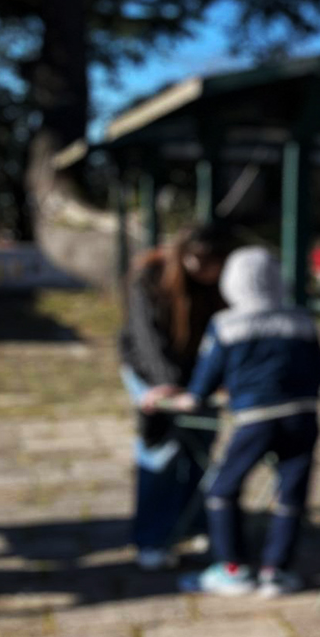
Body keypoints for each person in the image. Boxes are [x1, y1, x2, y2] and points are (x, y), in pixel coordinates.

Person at [173, 247, 320, 596]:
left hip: (256, 418)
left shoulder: (227, 324)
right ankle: (276, 570)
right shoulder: (302, 321)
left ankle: (233, 567)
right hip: (303, 416)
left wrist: (193, 397)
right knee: (291, 493)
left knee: (222, 489)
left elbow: (207, 374)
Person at [119, 222, 234, 570]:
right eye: (200, 260)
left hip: (199, 378)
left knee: (200, 449)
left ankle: (192, 524)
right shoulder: (149, 278)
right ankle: (152, 539)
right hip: (152, 373)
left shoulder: (221, 286)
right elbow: (146, 339)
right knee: (161, 454)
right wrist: (166, 386)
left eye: (215, 262)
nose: (207, 269)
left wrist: (211, 383)